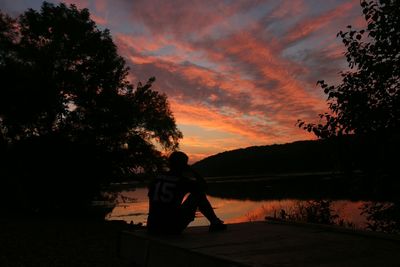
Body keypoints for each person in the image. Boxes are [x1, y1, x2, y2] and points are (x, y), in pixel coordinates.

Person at [147, 151, 227, 234]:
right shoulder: (182, 181)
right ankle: (215, 222)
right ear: (184, 165)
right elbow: (204, 186)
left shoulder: (156, 179)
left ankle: (215, 222)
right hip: (170, 228)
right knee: (198, 194)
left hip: (152, 227)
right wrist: (193, 171)